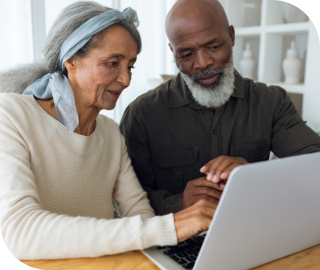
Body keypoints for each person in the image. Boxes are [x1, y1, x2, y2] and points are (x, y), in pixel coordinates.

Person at [0, 1, 216, 260]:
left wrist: (168, 230)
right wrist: (171, 226)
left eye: (130, 66)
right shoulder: (10, 115)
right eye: (113, 63)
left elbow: (139, 215)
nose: (125, 79)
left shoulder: (111, 133)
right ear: (71, 60)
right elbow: (20, 233)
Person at [119, 0, 320, 216]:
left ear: (231, 36)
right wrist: (179, 203)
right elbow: (125, 200)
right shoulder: (142, 115)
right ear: (172, 51)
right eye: (186, 55)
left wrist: (253, 176)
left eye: (213, 47)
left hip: (251, 230)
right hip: (173, 242)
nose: (203, 63)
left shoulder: (271, 103)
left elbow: (314, 164)